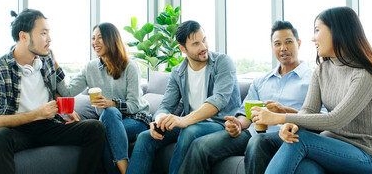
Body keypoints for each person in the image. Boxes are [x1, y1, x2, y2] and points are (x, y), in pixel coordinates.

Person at [253, 6, 372, 174]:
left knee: (300, 140)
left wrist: (279, 118)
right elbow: (309, 110)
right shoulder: (321, 70)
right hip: (327, 148)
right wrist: (291, 125)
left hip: (365, 156)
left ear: (338, 31)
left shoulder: (364, 74)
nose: (313, 38)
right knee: (304, 168)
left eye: (317, 30)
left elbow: (336, 120)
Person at [0, 9, 105, 174]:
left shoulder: (47, 58)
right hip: (19, 130)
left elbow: (57, 91)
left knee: (95, 128)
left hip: (48, 126)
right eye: (43, 33)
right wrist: (37, 114)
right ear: (24, 36)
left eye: (48, 33)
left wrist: (64, 108)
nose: (49, 39)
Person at [178, 21, 312, 174]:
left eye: (288, 42)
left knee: (257, 142)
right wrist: (238, 125)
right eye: (277, 43)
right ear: (272, 47)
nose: (283, 48)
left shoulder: (311, 79)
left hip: (287, 136)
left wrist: (284, 113)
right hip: (252, 132)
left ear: (299, 43)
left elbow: (317, 118)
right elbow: (246, 114)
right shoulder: (261, 80)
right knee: (200, 146)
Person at [126, 20, 241, 174]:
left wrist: (183, 120)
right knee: (145, 137)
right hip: (189, 123)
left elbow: (218, 100)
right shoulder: (178, 72)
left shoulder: (222, 62)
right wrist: (159, 121)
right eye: (196, 44)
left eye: (204, 40)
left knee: (189, 131)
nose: (203, 47)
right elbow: (166, 105)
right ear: (183, 48)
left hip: (219, 123)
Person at [56, 22, 150, 174]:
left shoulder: (130, 66)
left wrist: (111, 103)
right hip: (107, 120)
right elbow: (67, 92)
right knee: (108, 117)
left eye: (100, 37)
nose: (95, 42)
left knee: (107, 122)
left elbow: (134, 105)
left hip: (137, 118)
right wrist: (56, 68)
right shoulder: (90, 68)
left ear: (111, 39)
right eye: (93, 38)